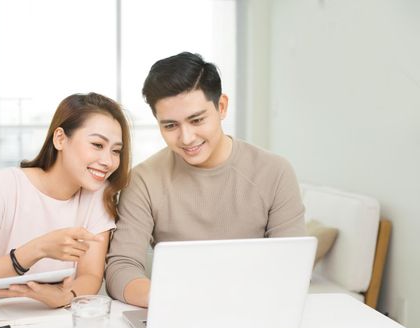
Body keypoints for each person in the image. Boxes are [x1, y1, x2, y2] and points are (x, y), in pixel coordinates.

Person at [105, 52, 305, 307]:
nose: (186, 138)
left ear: (221, 107)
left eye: (197, 120)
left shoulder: (275, 172)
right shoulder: (144, 180)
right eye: (170, 126)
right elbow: (121, 267)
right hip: (177, 309)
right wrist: (172, 300)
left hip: (256, 308)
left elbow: (292, 266)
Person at [0, 92, 131, 308]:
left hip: (55, 321)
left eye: (116, 151)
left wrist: (67, 296)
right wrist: (36, 250)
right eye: (97, 145)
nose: (108, 161)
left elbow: (91, 275)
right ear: (60, 139)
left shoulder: (97, 196)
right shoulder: (3, 186)